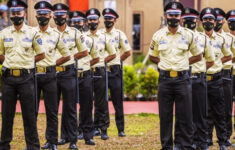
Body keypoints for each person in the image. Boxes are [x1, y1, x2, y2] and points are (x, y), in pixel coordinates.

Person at [149, 2, 203, 149]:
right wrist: (163, 63)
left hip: (182, 80)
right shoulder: (158, 35)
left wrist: (185, 61)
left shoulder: (189, 35)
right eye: (171, 15)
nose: (173, 18)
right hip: (165, 80)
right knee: (165, 116)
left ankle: (183, 145)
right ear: (166, 16)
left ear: (181, 17)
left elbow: (198, 55)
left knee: (184, 115)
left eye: (176, 15)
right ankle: (166, 146)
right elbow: (152, 56)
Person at [0, 0, 45, 149]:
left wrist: (26, 62)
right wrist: (9, 62)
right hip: (9, 78)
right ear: (10, 15)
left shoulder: (33, 32)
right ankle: (4, 144)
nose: (16, 15)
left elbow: (41, 54)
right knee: (6, 114)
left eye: (18, 13)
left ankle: (33, 146)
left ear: (24, 14)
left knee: (29, 115)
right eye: (13, 13)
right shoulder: (4, 33)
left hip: (26, 78)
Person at [34, 1, 71, 149]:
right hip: (34, 76)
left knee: (52, 111)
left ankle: (52, 142)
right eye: (40, 14)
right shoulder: (31, 33)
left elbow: (67, 55)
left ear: (50, 16)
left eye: (45, 14)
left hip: (50, 76)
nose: (42, 16)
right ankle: (33, 143)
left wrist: (52, 64)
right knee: (32, 111)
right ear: (36, 15)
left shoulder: (56, 35)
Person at [52, 3, 88, 149]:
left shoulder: (75, 33)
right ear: (53, 17)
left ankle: (72, 140)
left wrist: (70, 57)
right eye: (56, 15)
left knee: (70, 107)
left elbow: (84, 52)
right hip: (53, 73)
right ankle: (58, 138)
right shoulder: (50, 33)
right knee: (53, 109)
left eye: (62, 15)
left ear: (66, 17)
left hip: (68, 72)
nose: (59, 18)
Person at [182, 7, 215, 150]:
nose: (190, 22)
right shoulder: (179, 37)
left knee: (201, 113)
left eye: (192, 19)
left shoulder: (203, 38)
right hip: (183, 79)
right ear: (183, 20)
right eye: (187, 19)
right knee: (186, 114)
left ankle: (203, 142)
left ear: (197, 21)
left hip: (198, 79)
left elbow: (211, 60)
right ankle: (190, 141)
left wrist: (200, 70)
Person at [200, 7, 232, 150]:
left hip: (217, 79)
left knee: (220, 112)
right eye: (206, 19)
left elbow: (229, 56)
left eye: (211, 19)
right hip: (201, 79)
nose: (208, 22)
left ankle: (223, 141)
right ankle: (206, 140)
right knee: (204, 112)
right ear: (201, 22)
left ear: (215, 21)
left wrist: (217, 63)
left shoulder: (221, 39)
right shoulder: (197, 38)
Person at [68, 10, 100, 145]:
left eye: (79, 22)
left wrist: (86, 64)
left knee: (86, 106)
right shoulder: (65, 39)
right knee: (70, 107)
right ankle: (72, 134)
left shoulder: (89, 40)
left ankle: (88, 135)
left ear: (84, 23)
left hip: (85, 75)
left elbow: (96, 58)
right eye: (74, 22)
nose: (76, 24)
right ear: (70, 23)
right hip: (70, 75)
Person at [85, 8, 116, 140]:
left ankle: (103, 129)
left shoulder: (104, 38)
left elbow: (113, 54)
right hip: (86, 72)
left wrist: (103, 61)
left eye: (95, 19)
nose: (92, 22)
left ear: (99, 21)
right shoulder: (82, 37)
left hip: (100, 71)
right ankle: (85, 129)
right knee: (86, 101)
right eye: (90, 19)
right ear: (87, 22)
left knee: (101, 101)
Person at [100, 8, 131, 137]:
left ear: (115, 20)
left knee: (117, 101)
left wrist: (118, 60)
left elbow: (127, 52)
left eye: (110, 18)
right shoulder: (99, 34)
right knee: (102, 101)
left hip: (115, 71)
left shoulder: (119, 34)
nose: (108, 21)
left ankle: (120, 129)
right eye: (106, 18)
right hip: (101, 70)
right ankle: (103, 129)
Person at [225, 9, 235, 140]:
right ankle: (227, 134)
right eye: (231, 21)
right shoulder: (225, 38)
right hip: (228, 74)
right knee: (227, 106)